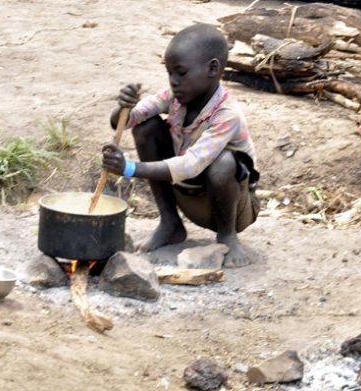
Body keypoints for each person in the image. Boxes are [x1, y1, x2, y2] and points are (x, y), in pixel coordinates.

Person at [101, 23, 260, 268]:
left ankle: (227, 236)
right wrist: (123, 108)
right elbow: (131, 119)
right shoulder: (174, 97)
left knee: (223, 163)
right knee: (147, 127)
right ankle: (170, 223)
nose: (174, 81)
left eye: (181, 73)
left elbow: (190, 165)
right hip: (187, 193)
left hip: (233, 207)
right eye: (170, 73)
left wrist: (130, 168)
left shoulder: (227, 115)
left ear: (212, 68)